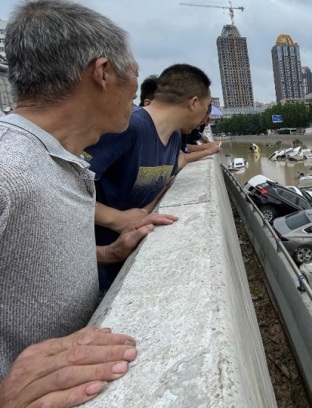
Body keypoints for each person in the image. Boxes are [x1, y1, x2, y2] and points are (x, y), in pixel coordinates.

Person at [0, 1, 177, 406]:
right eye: (133, 87)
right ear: (103, 73)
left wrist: (105, 253)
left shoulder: (57, 159)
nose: (135, 105)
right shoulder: (8, 169)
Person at [84, 63, 220, 291]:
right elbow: (59, 188)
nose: (204, 119)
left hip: (127, 263)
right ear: (193, 103)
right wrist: (117, 219)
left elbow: (170, 174)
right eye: (206, 108)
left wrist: (145, 212)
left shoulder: (175, 137)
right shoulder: (128, 127)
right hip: (94, 270)